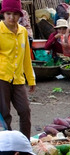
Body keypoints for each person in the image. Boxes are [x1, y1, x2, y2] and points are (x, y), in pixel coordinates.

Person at [0, 0, 36, 139]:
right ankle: (7, 146)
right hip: (2, 77)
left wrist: (31, 79)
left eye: (15, 14)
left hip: (18, 79)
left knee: (25, 111)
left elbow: (26, 57)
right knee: (4, 114)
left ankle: (24, 144)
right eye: (8, 14)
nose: (11, 17)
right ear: (3, 14)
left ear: (20, 15)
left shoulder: (22, 31)